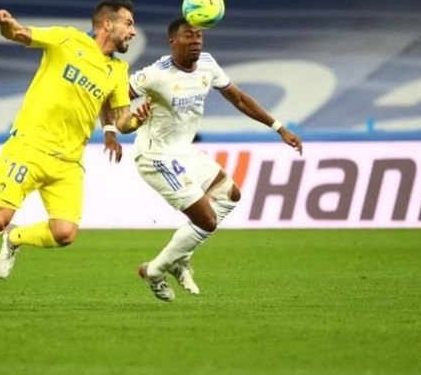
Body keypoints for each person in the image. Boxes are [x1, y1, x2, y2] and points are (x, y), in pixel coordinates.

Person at [0, 0, 151, 314]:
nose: (133, 30)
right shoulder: (66, 39)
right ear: (106, 24)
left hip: (69, 162)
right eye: (128, 23)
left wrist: (137, 120)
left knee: (64, 233)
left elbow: (122, 120)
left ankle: (15, 239)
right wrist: (6, 23)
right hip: (30, 146)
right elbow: (19, 34)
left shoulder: (118, 70)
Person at [125, 17, 303, 302]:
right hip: (155, 155)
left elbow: (240, 99)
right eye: (188, 36)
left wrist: (279, 128)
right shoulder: (156, 74)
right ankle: (155, 271)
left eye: (199, 36)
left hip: (183, 151)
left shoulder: (207, 64)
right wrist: (122, 123)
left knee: (229, 195)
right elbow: (115, 96)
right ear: (172, 41)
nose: (195, 41)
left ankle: (179, 258)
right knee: (206, 220)